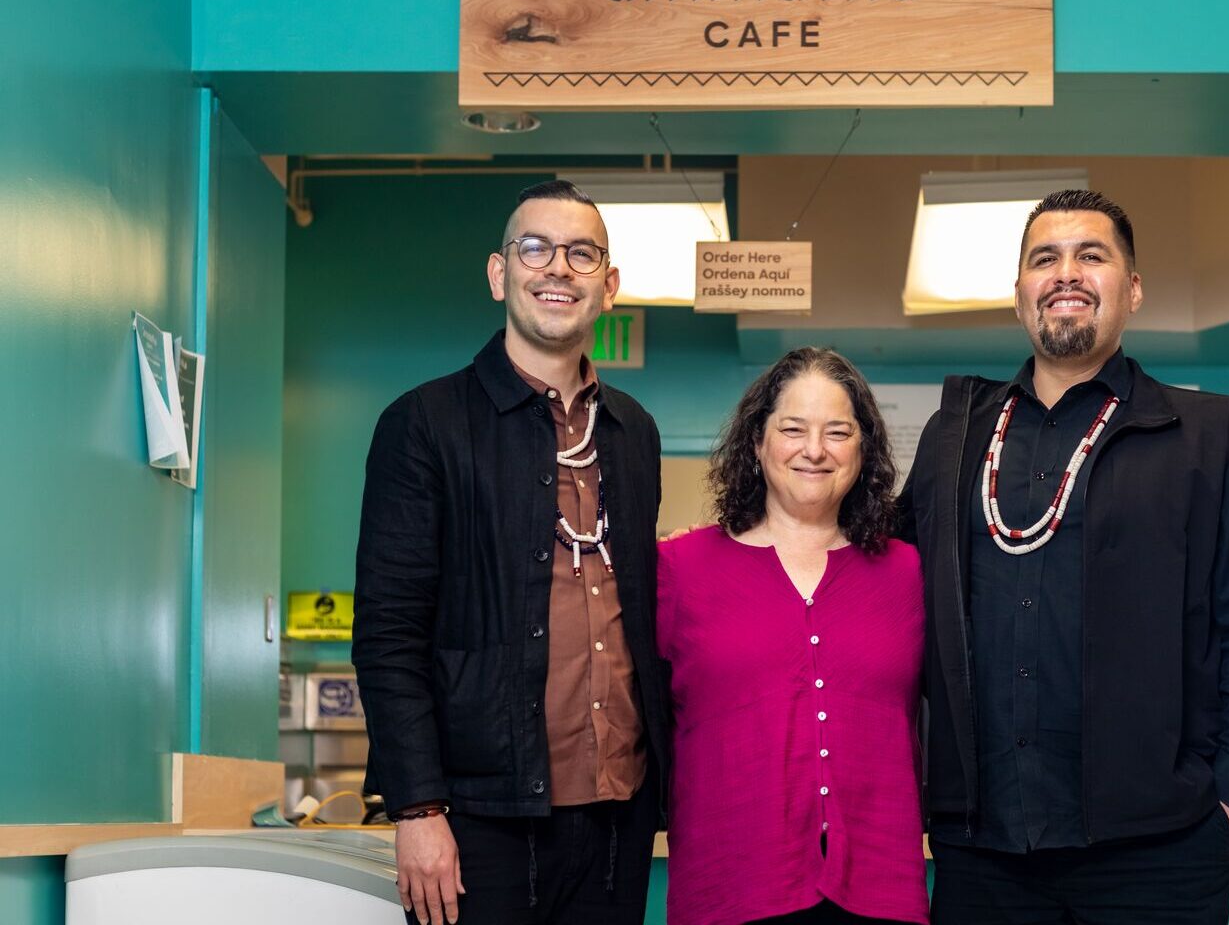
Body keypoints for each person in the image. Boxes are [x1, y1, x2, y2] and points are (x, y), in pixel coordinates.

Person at [898, 189, 1229, 924]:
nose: (1066, 273)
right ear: (1019, 292)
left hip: (1159, 856)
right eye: (1044, 259)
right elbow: (879, 594)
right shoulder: (955, 439)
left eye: (1092, 256)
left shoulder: (1206, 438)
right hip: (983, 856)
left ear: (1133, 289)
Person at [353, 180, 668, 925]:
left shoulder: (634, 431)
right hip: (478, 819)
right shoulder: (424, 423)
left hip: (619, 816)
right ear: (500, 274)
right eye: (535, 248)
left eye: (582, 254)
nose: (558, 267)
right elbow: (389, 634)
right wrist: (417, 807)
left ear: (609, 287)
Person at [657, 348, 928, 925]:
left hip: (880, 887)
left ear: (863, 450)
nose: (815, 449)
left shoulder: (908, 574)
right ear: (757, 442)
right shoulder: (680, 568)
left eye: (838, 432)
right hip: (726, 887)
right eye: (793, 429)